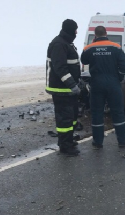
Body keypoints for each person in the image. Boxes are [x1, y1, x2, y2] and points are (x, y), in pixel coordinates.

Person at [80, 26, 125, 149]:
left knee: (97, 113)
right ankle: (122, 140)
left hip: (96, 84)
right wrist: (119, 77)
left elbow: (83, 60)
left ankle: (98, 142)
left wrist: (92, 45)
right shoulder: (116, 47)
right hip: (113, 83)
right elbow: (123, 65)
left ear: (95, 35)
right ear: (106, 33)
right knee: (117, 112)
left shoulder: (88, 48)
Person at [46, 19, 82, 156]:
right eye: (75, 29)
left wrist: (78, 81)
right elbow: (60, 67)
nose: (77, 32)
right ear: (70, 29)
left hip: (68, 90)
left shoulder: (66, 43)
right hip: (62, 90)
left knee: (71, 118)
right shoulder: (59, 44)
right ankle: (65, 146)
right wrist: (72, 84)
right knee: (64, 120)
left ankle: (69, 141)